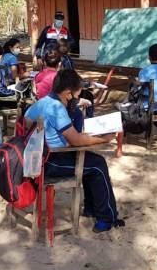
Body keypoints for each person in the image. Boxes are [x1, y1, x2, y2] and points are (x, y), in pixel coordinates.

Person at [24, 69, 125, 233]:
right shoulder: (57, 108)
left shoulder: (42, 102)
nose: (77, 99)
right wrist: (104, 139)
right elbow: (76, 140)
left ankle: (91, 209)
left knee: (88, 160)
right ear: (68, 93)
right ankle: (107, 219)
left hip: (37, 158)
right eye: (77, 95)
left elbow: (27, 122)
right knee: (98, 165)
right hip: (50, 161)